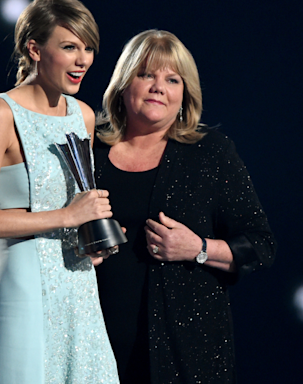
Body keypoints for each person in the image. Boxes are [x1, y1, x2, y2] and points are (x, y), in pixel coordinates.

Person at [94, 29, 276, 383]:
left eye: (171, 79)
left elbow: (261, 245)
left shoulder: (210, 153)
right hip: (95, 345)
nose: (158, 87)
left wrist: (199, 248)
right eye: (146, 74)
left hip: (185, 355)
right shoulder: (90, 151)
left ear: (184, 94)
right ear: (123, 84)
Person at [0, 0, 119, 383]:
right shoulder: (0, 112)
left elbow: (77, 202)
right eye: (70, 47)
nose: (83, 60)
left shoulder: (83, 116)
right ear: (34, 49)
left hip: (79, 287)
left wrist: (88, 236)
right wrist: (67, 217)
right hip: (22, 287)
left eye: (88, 48)